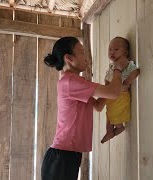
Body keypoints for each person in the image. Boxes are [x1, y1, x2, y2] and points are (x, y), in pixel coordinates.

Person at [41, 36, 125, 180]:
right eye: (81, 52)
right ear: (69, 58)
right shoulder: (70, 82)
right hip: (63, 157)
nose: (86, 57)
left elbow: (98, 106)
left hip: (67, 155)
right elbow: (114, 92)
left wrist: (110, 84)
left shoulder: (74, 82)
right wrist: (118, 68)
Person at [100, 37, 140, 143]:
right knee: (109, 114)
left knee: (114, 113)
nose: (112, 52)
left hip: (120, 95)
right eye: (110, 49)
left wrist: (127, 83)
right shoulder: (112, 66)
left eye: (116, 49)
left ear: (125, 52)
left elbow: (136, 71)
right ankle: (109, 131)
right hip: (110, 95)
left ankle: (119, 127)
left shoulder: (125, 63)